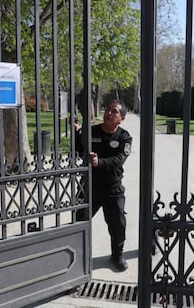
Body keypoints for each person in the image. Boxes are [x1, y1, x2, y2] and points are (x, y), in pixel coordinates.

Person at [75, 99, 132, 272]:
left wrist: (100, 162)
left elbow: (119, 159)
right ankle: (77, 255)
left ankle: (117, 254)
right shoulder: (92, 131)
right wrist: (77, 134)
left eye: (114, 111)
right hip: (90, 186)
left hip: (112, 187)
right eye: (108, 110)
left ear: (121, 118)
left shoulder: (124, 137)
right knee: (79, 221)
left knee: (118, 224)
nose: (109, 113)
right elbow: (78, 150)